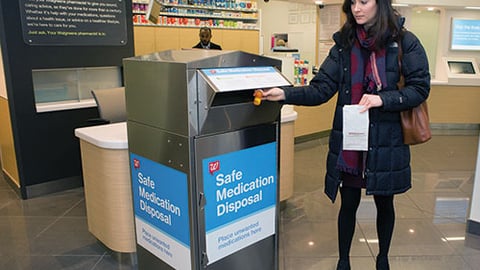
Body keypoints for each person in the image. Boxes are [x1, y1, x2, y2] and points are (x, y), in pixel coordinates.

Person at [259, 0, 430, 269]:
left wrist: (381, 100)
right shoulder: (344, 44)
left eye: (364, 2)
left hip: (387, 142)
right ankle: (343, 261)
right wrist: (285, 93)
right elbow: (321, 89)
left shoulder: (405, 42)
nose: (356, 9)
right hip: (351, 140)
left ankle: (382, 258)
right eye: (352, 3)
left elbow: (420, 89)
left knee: (385, 204)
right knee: (347, 204)